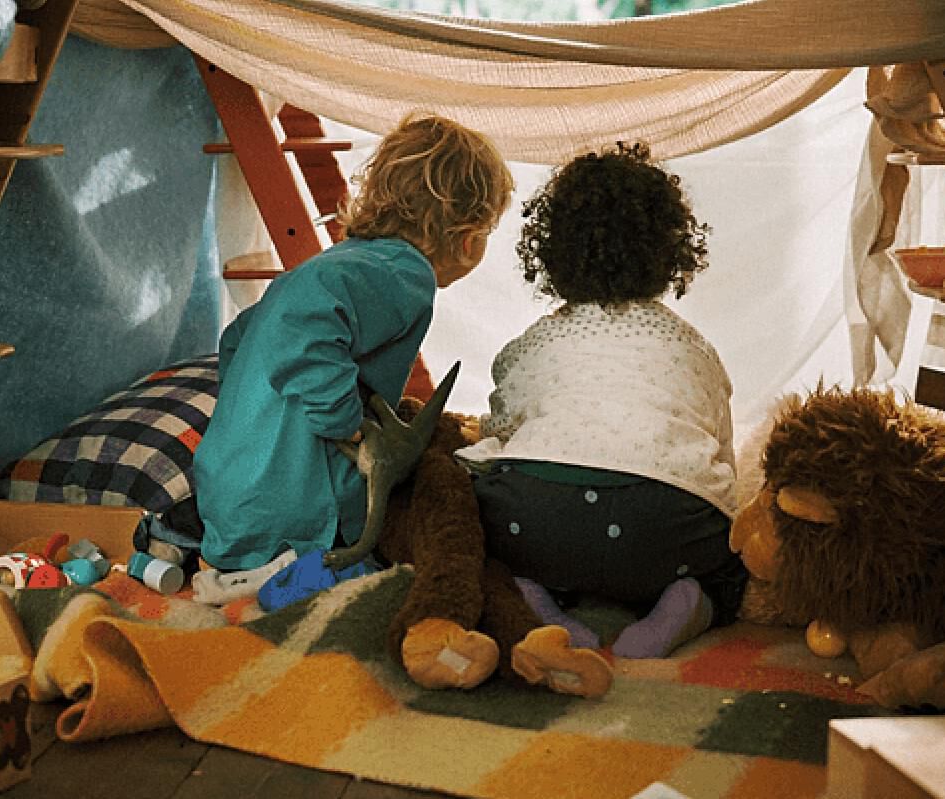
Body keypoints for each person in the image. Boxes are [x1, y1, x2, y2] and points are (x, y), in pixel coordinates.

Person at [192, 112, 515, 580]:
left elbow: (237, 338)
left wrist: (252, 417)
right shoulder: (406, 274)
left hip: (228, 498)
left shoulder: (337, 263)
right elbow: (303, 327)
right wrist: (344, 421)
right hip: (291, 510)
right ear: (468, 241)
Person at [455, 142, 747, 659]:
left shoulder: (536, 344)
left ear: (550, 254)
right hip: (665, 527)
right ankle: (687, 602)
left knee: (482, 530)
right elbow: (719, 448)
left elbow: (499, 426)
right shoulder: (694, 348)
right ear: (672, 253)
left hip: (539, 522)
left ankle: (535, 598)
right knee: (729, 560)